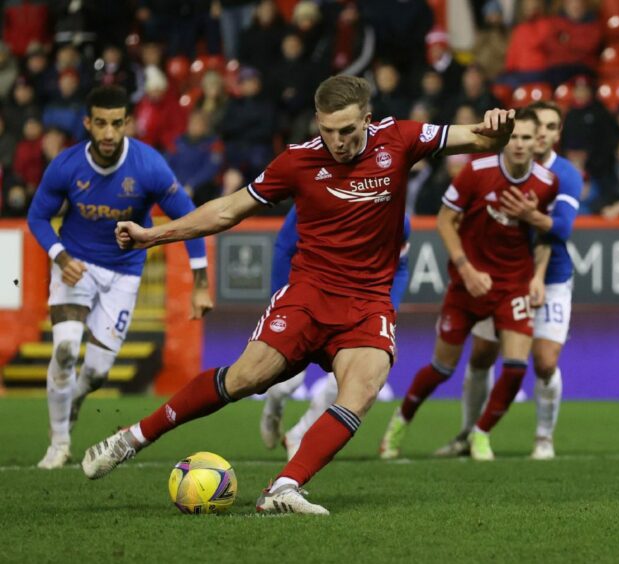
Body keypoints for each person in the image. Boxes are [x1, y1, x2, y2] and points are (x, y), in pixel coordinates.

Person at [80, 75, 516, 516]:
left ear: (368, 119)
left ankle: (284, 487)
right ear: (317, 123)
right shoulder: (297, 161)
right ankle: (131, 438)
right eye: (328, 131)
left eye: (348, 131)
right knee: (245, 378)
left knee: (363, 387)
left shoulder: (400, 138)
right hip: (309, 293)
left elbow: (478, 137)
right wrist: (153, 235)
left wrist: (496, 127)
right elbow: (228, 209)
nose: (338, 142)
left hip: (366, 302)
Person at [26, 85, 212, 469]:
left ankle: (76, 397)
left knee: (96, 373)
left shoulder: (148, 166)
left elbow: (189, 217)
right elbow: (37, 216)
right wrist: (59, 256)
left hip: (125, 274)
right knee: (64, 349)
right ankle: (59, 443)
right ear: (87, 124)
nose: (109, 133)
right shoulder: (66, 165)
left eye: (116, 123)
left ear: (127, 122)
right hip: (74, 265)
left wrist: (200, 282)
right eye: (100, 124)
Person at [378, 108, 558, 462]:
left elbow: (543, 237)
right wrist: (466, 268)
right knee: (442, 367)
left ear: (536, 141)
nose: (518, 144)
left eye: (526, 137)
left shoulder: (546, 183)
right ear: (505, 138)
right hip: (467, 284)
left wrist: (538, 275)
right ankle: (400, 422)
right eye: (514, 136)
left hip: (513, 285)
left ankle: (481, 434)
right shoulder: (476, 172)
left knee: (516, 367)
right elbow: (446, 221)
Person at [434, 100, 581, 460]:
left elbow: (560, 228)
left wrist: (533, 219)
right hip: (502, 277)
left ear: (556, 134)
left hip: (549, 278)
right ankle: (469, 433)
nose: (542, 133)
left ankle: (543, 437)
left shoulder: (564, 176)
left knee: (544, 362)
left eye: (549, 127)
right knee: (482, 355)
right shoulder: (497, 167)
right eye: (537, 126)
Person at [259, 210, 412, 459]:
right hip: (306, 298)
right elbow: (284, 248)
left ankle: (299, 433)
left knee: (347, 380)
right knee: (287, 382)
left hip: (356, 307)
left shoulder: (395, 213)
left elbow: (400, 267)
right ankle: (273, 408)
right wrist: (280, 300)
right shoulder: (315, 195)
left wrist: (388, 318)